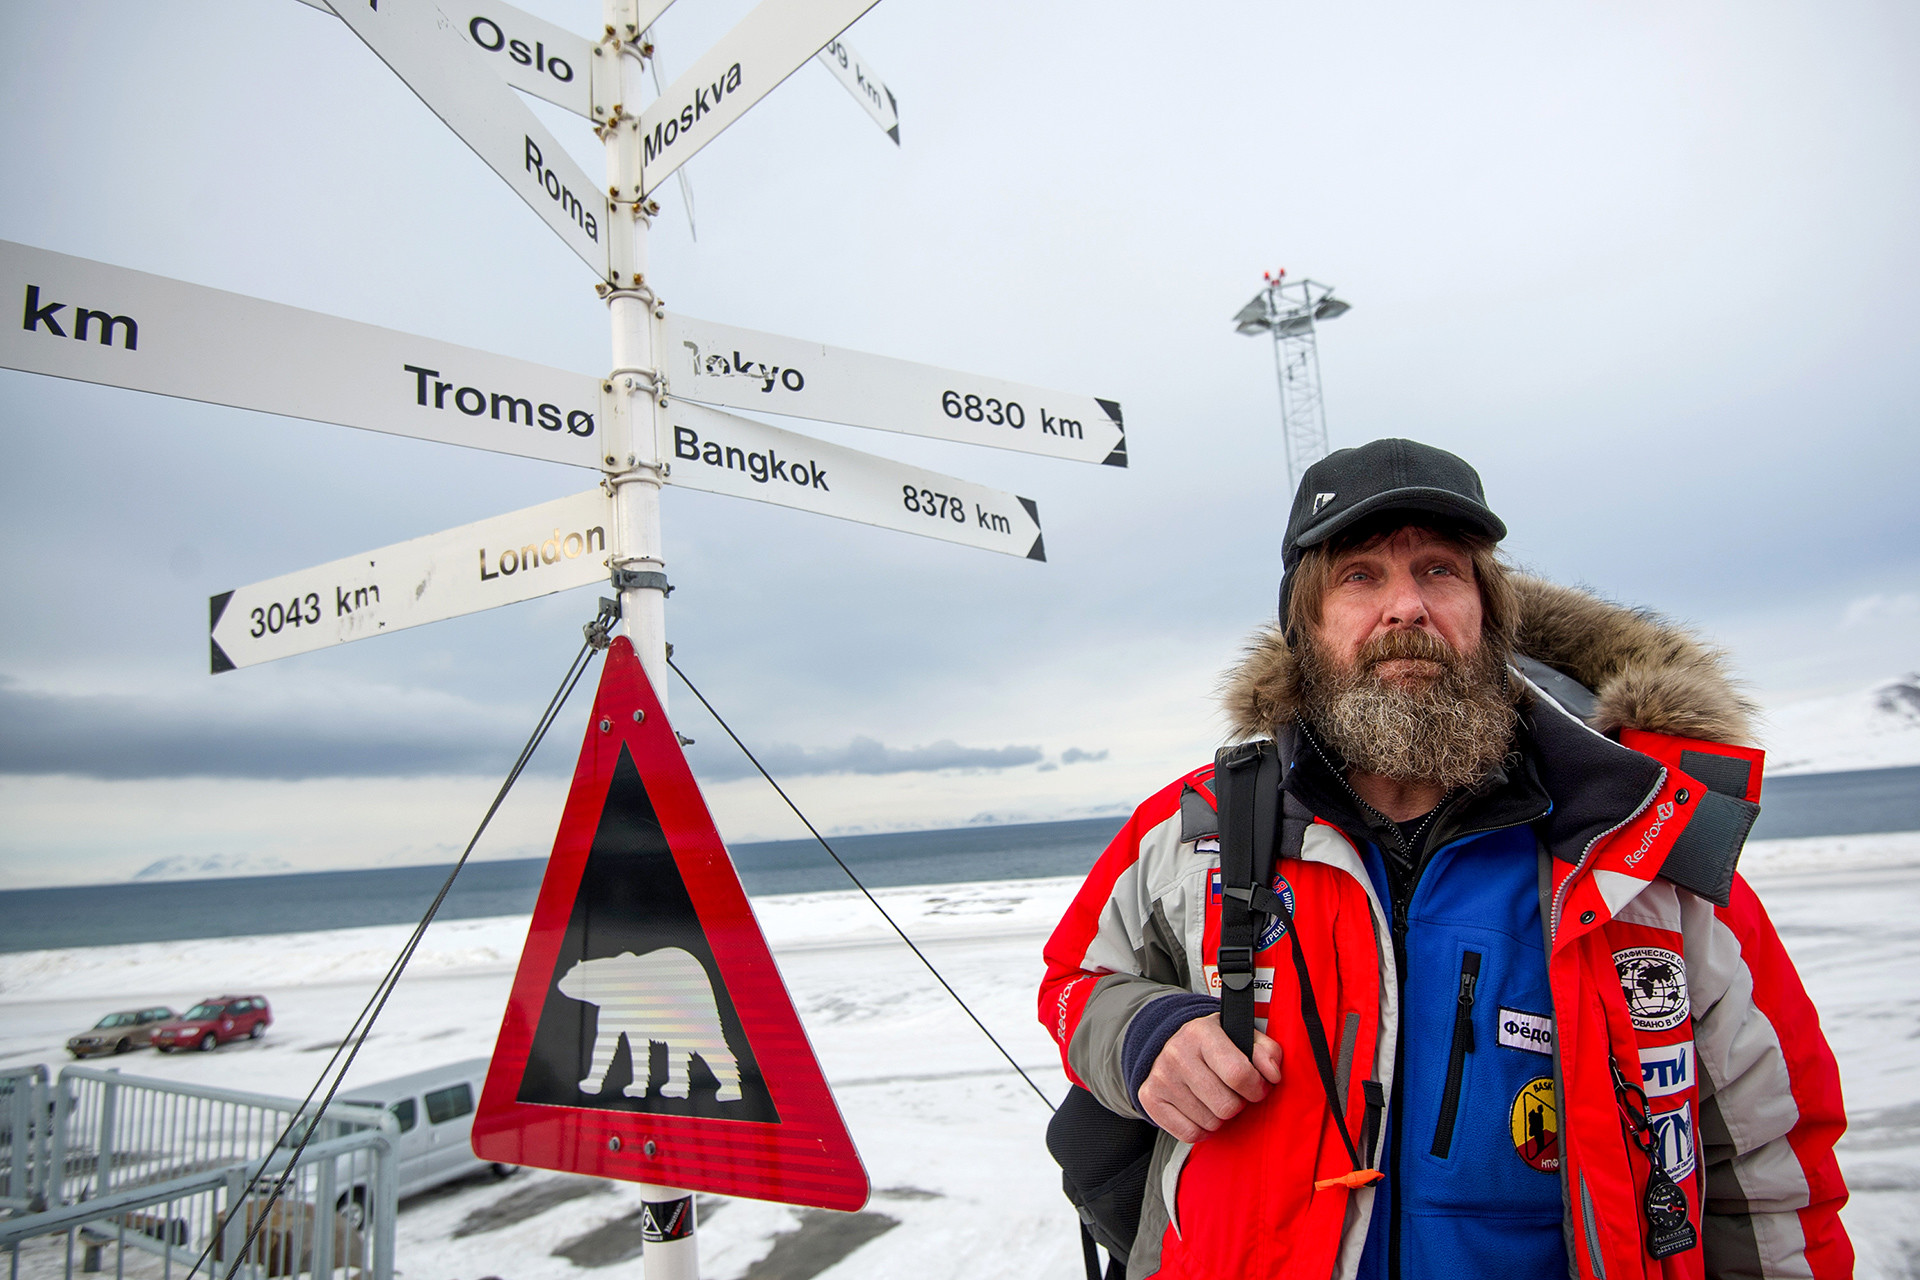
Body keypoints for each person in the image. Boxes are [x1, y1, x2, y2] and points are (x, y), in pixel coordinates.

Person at [1039, 439, 1851, 1279]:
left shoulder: (1636, 854)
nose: (1406, 607)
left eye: (1439, 571)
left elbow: (1765, 1169)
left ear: (1488, 614)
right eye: (1360, 575)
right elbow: (1074, 984)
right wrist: (1143, 1036)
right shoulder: (1192, 828)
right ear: (1305, 629)